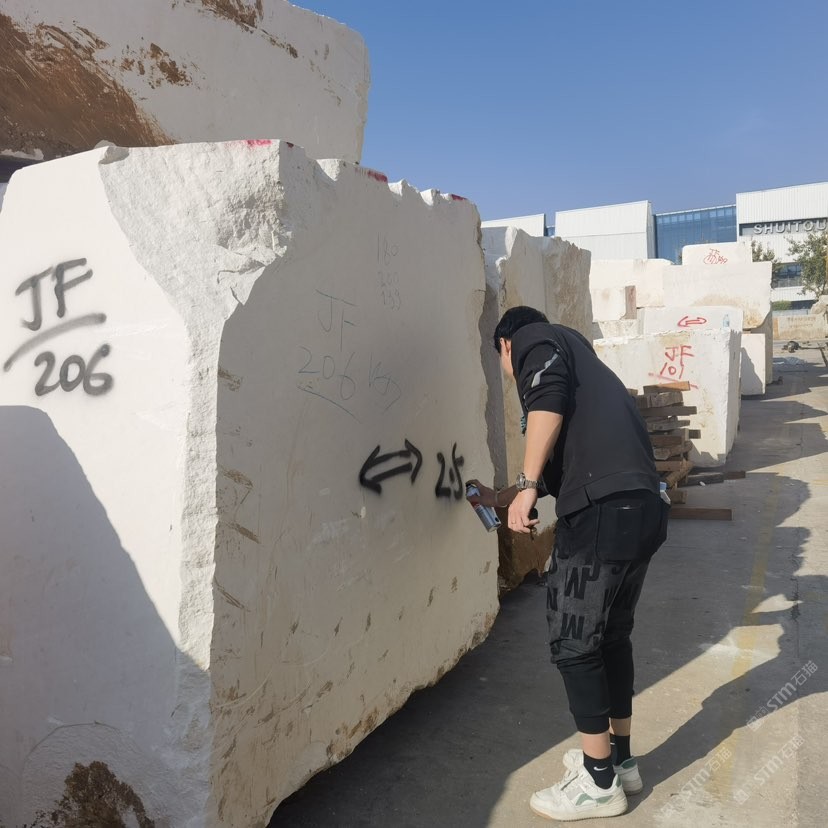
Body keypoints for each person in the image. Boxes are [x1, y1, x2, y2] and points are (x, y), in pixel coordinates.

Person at [469, 305, 669, 822]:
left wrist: (526, 485)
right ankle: (620, 762)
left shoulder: (535, 336)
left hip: (603, 515)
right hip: (643, 508)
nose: (510, 371)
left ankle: (598, 783)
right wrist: (502, 496)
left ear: (505, 345)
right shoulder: (585, 368)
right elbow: (556, 464)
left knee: (574, 643)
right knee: (611, 637)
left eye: (504, 361)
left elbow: (546, 400)